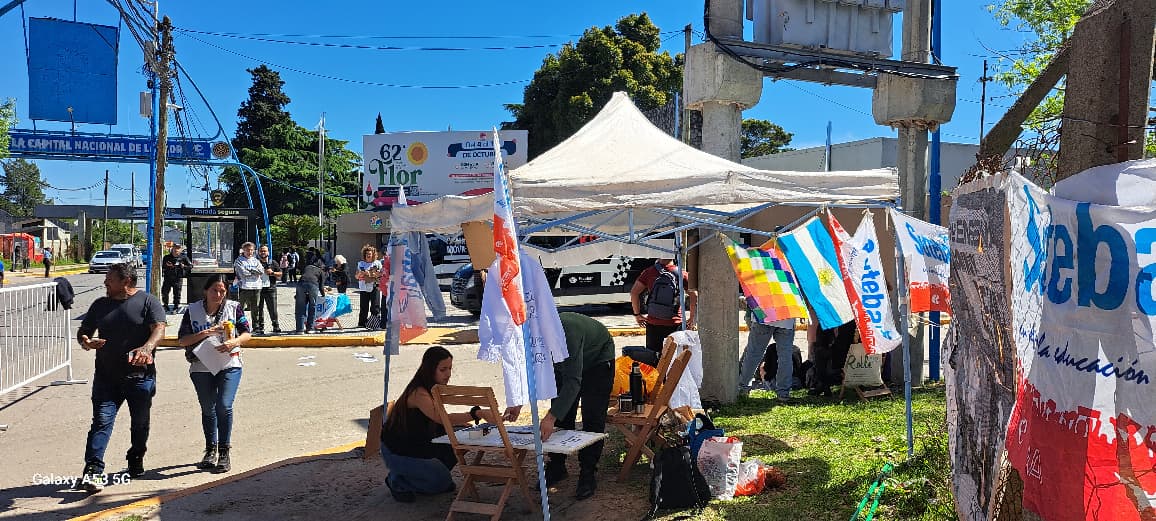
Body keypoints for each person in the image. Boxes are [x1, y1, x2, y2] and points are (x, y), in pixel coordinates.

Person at [501, 312, 614, 499]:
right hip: (564, 364)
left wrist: (550, 417)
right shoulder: (531, 338)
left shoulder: (566, 335)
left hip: (597, 359)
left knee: (592, 417)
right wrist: (519, 401)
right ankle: (557, 466)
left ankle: (588, 472)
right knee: (562, 416)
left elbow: (573, 382)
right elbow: (532, 371)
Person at [74, 263, 166, 492]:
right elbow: (83, 332)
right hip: (106, 377)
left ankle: (136, 455)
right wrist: (86, 342)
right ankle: (93, 470)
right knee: (101, 421)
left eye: (110, 280)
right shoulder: (100, 305)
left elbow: (159, 328)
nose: (105, 282)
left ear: (126, 282)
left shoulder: (148, 301)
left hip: (140, 377)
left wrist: (147, 347)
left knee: (140, 423)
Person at [380, 346, 496, 503]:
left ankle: (430, 476)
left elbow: (442, 420)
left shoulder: (434, 388)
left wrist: (469, 423)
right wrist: (477, 414)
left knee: (472, 434)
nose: (448, 374)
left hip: (423, 442)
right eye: (443, 370)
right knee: (441, 482)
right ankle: (397, 481)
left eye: (450, 369)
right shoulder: (419, 392)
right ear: (430, 369)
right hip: (399, 450)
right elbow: (441, 418)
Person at [177, 274, 252, 474]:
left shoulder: (234, 308)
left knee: (224, 406)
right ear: (206, 291)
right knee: (208, 408)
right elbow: (182, 340)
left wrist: (234, 342)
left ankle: (224, 451)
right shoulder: (192, 310)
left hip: (229, 363)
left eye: (222, 291)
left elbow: (247, 333)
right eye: (214, 290)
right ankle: (210, 449)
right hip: (201, 366)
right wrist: (206, 332)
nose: (218, 294)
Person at [630, 259, 697, 353]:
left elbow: (634, 293)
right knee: (674, 358)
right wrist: (692, 318)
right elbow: (694, 295)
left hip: (653, 324)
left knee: (653, 357)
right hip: (675, 324)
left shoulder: (649, 272)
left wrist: (637, 315)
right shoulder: (681, 273)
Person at [738, 303, 798, 400]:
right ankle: (783, 393)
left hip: (763, 312)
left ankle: (742, 389)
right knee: (785, 357)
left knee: (753, 354)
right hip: (787, 315)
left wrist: (754, 313)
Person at [255, 245, 283, 334]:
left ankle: (276, 326)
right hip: (258, 289)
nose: (263, 253)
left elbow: (280, 274)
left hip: (271, 288)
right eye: (261, 251)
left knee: (273, 309)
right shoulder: (255, 262)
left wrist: (272, 272)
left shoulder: (273, 262)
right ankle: (260, 327)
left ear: (268, 252)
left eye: (265, 251)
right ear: (258, 252)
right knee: (258, 309)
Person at [294, 255, 325, 334]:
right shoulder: (321, 271)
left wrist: (297, 295)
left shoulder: (307, 267)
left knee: (300, 307)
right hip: (313, 286)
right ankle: (310, 328)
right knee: (312, 307)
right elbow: (321, 287)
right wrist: (323, 295)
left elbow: (303, 278)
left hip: (301, 285)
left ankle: (300, 330)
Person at [233, 242, 263, 320]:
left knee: (255, 309)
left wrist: (250, 270)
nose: (250, 252)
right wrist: (254, 271)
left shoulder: (256, 260)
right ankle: (240, 325)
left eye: (251, 250)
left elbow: (261, 271)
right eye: (248, 250)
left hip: (256, 287)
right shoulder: (239, 260)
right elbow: (243, 273)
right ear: (243, 250)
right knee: (240, 309)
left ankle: (256, 326)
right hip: (244, 287)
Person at [355, 245, 382, 329]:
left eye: (370, 254)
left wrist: (372, 274)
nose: (368, 255)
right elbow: (356, 276)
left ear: (373, 254)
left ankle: (375, 323)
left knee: (375, 306)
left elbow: (381, 274)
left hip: (375, 286)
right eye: (367, 254)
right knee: (364, 306)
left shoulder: (377, 263)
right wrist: (360, 274)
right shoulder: (360, 264)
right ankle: (362, 323)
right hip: (363, 287)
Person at [161, 244, 193, 313]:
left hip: (178, 278)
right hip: (168, 278)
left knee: (177, 294)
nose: (176, 250)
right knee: (164, 292)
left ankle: (175, 307)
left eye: (178, 248)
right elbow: (163, 266)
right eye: (175, 248)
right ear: (172, 249)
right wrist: (168, 266)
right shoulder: (167, 257)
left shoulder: (184, 257)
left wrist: (184, 266)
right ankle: (166, 306)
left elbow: (190, 266)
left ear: (180, 250)